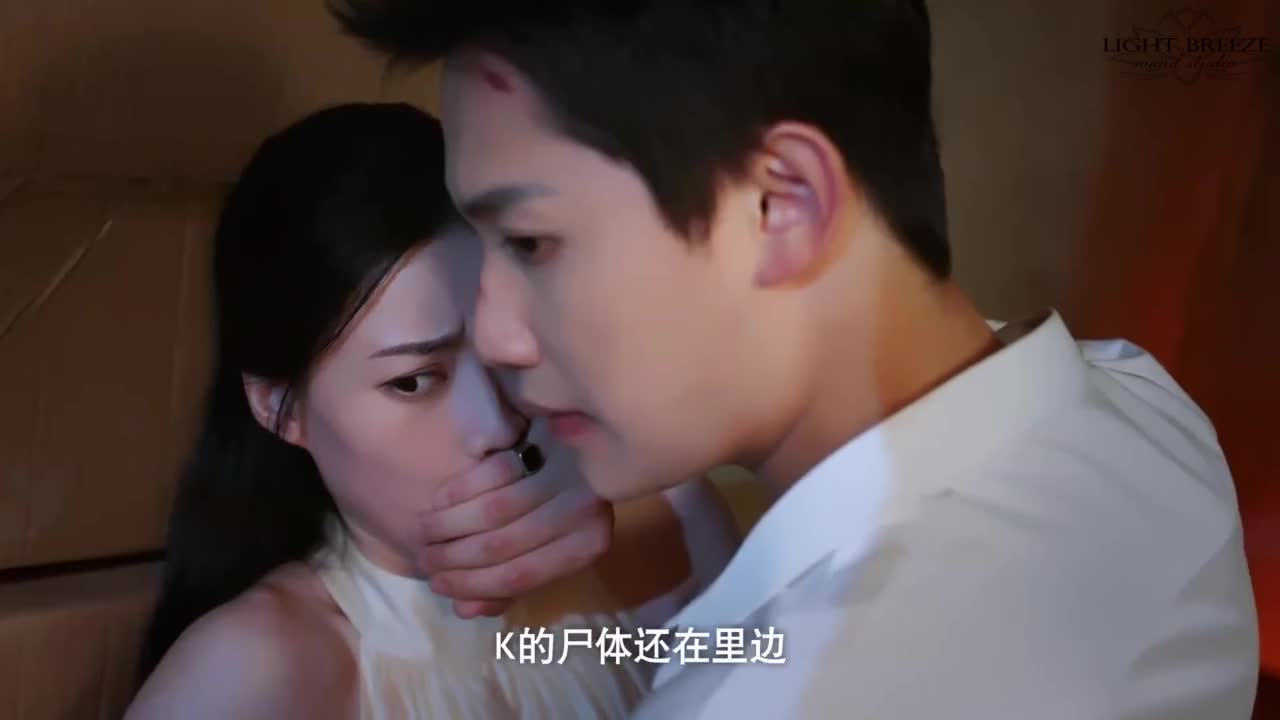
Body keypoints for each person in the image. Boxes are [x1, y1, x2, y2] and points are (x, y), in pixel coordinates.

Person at [329, 1, 1260, 718]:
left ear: (781, 205)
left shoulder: (789, 692)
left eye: (531, 243)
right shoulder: (1143, 403)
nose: (497, 337)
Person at [124, 102, 739, 720]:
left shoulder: (662, 531)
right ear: (279, 407)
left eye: (505, 350)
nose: (498, 425)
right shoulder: (256, 669)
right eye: (414, 382)